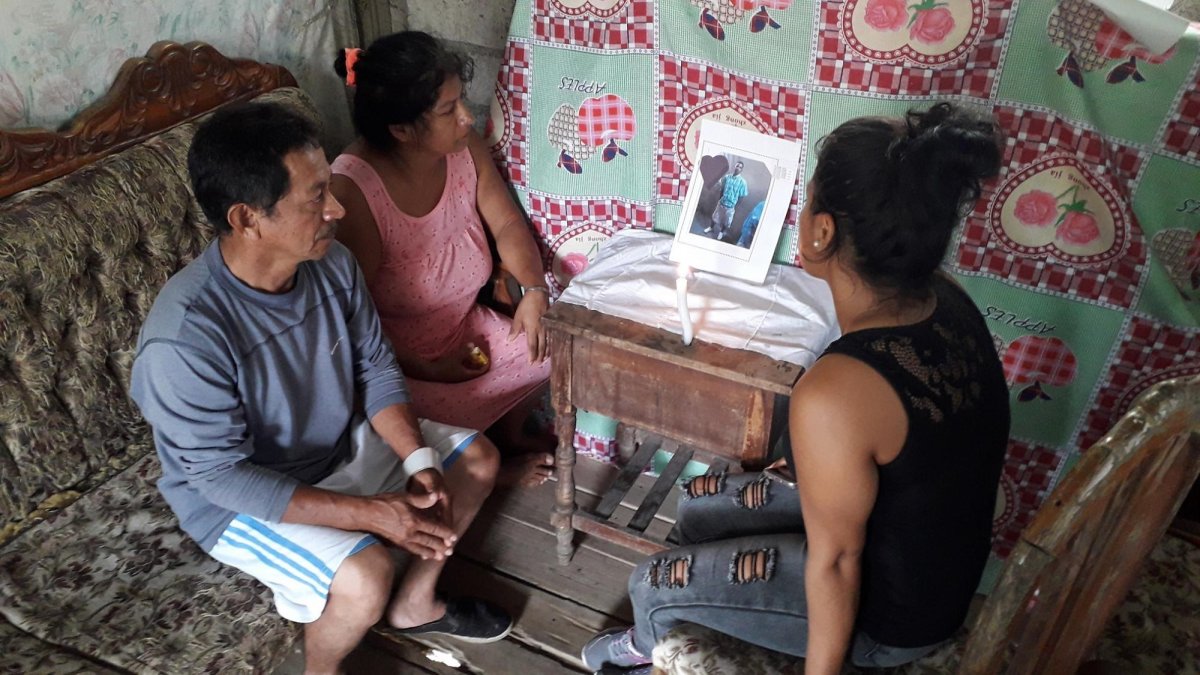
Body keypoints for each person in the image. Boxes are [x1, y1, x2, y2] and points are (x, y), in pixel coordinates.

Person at [582, 102, 1009, 674]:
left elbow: (835, 561)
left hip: (892, 620)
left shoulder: (836, 390)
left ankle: (647, 639)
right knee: (698, 502)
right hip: (930, 556)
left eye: (806, 202)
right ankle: (697, 606)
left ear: (823, 230)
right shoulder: (946, 297)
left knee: (650, 580)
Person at [130, 102, 511, 675]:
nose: (336, 209)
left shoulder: (333, 265)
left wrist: (417, 459)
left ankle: (417, 605)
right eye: (315, 197)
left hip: (337, 448)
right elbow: (221, 476)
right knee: (365, 577)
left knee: (475, 460)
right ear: (246, 218)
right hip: (242, 499)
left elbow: (376, 368)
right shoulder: (186, 338)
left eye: (329, 188)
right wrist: (369, 515)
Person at [330, 32, 553, 487]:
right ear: (401, 129)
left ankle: (503, 434)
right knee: (411, 416)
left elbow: (508, 226)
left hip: (465, 330)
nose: (467, 118)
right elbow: (352, 325)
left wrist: (533, 291)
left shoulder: (463, 149)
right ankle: (487, 467)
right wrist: (431, 369)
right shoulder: (355, 190)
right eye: (449, 110)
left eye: (461, 101)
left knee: (552, 344)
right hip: (398, 363)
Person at [704, 160, 747, 241]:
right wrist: (720, 199)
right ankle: (711, 227)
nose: (738, 168)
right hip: (722, 202)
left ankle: (721, 233)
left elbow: (741, 196)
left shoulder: (743, 182)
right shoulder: (727, 177)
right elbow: (722, 188)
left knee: (726, 222)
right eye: (737, 166)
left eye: (740, 167)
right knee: (715, 216)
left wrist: (735, 206)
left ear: (741, 170)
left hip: (731, 206)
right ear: (735, 166)